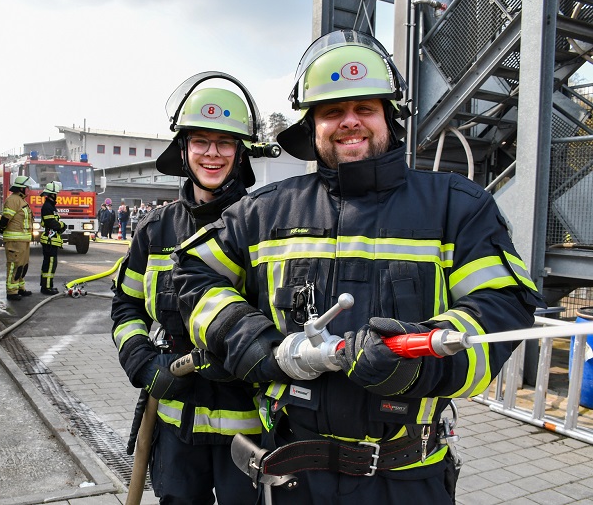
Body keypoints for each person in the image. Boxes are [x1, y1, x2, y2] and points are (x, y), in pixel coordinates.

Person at [174, 31, 545, 505]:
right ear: (312, 127)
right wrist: (266, 349)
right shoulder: (265, 213)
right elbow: (191, 277)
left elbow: (502, 308)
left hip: (408, 481)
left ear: (388, 117)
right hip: (294, 480)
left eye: (365, 108)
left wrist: (414, 365)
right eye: (332, 111)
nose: (350, 122)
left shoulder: (457, 208)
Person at [111, 71, 264, 505]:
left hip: (250, 432)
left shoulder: (266, 226)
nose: (212, 153)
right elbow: (126, 305)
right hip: (175, 425)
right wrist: (142, 361)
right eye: (200, 140)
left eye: (225, 142)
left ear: (241, 152)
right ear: (184, 149)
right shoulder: (155, 229)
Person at [0, 175, 36, 301]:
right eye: (27, 188)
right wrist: (2, 228)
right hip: (15, 240)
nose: (28, 190)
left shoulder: (21, 200)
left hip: (23, 240)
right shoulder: (13, 200)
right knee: (14, 265)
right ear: (21, 188)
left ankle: (20, 288)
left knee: (22, 265)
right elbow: (6, 218)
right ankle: (11, 291)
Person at [39, 181, 67, 295]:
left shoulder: (50, 206)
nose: (57, 196)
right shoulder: (47, 206)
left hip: (52, 240)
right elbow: (52, 223)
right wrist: (62, 225)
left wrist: (59, 226)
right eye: (56, 194)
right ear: (52, 194)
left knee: (49, 264)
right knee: (50, 264)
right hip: (50, 241)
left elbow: (54, 223)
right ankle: (47, 288)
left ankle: (46, 285)